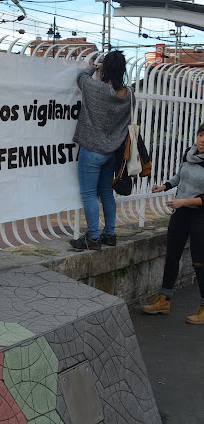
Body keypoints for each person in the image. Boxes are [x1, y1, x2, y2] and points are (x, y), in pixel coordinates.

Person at [70, 50, 133, 250]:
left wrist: (94, 67)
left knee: (88, 194)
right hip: (112, 153)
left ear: (105, 68)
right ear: (122, 70)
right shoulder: (130, 94)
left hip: (92, 151)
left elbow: (80, 77)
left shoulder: (95, 88)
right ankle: (110, 234)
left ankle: (93, 237)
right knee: (106, 193)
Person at [142, 124, 204, 324]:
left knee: (199, 261)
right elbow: (180, 177)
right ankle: (164, 299)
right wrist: (165, 186)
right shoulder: (189, 153)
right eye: (201, 134)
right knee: (172, 255)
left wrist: (184, 201)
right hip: (181, 213)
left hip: (200, 216)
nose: (202, 139)